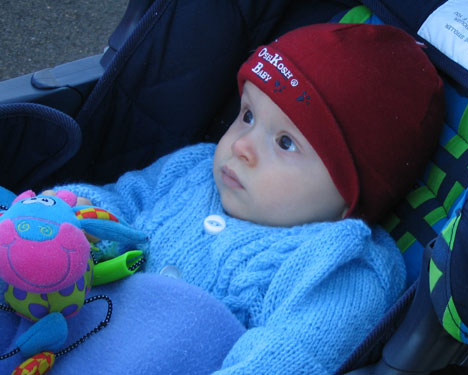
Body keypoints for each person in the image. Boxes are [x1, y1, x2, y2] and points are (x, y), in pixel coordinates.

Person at [1, 23, 444, 374]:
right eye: (248, 114)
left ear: (351, 192)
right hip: (51, 328)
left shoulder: (341, 265)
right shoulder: (195, 168)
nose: (241, 145)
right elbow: (118, 203)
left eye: (285, 142)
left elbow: (286, 358)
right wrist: (59, 214)